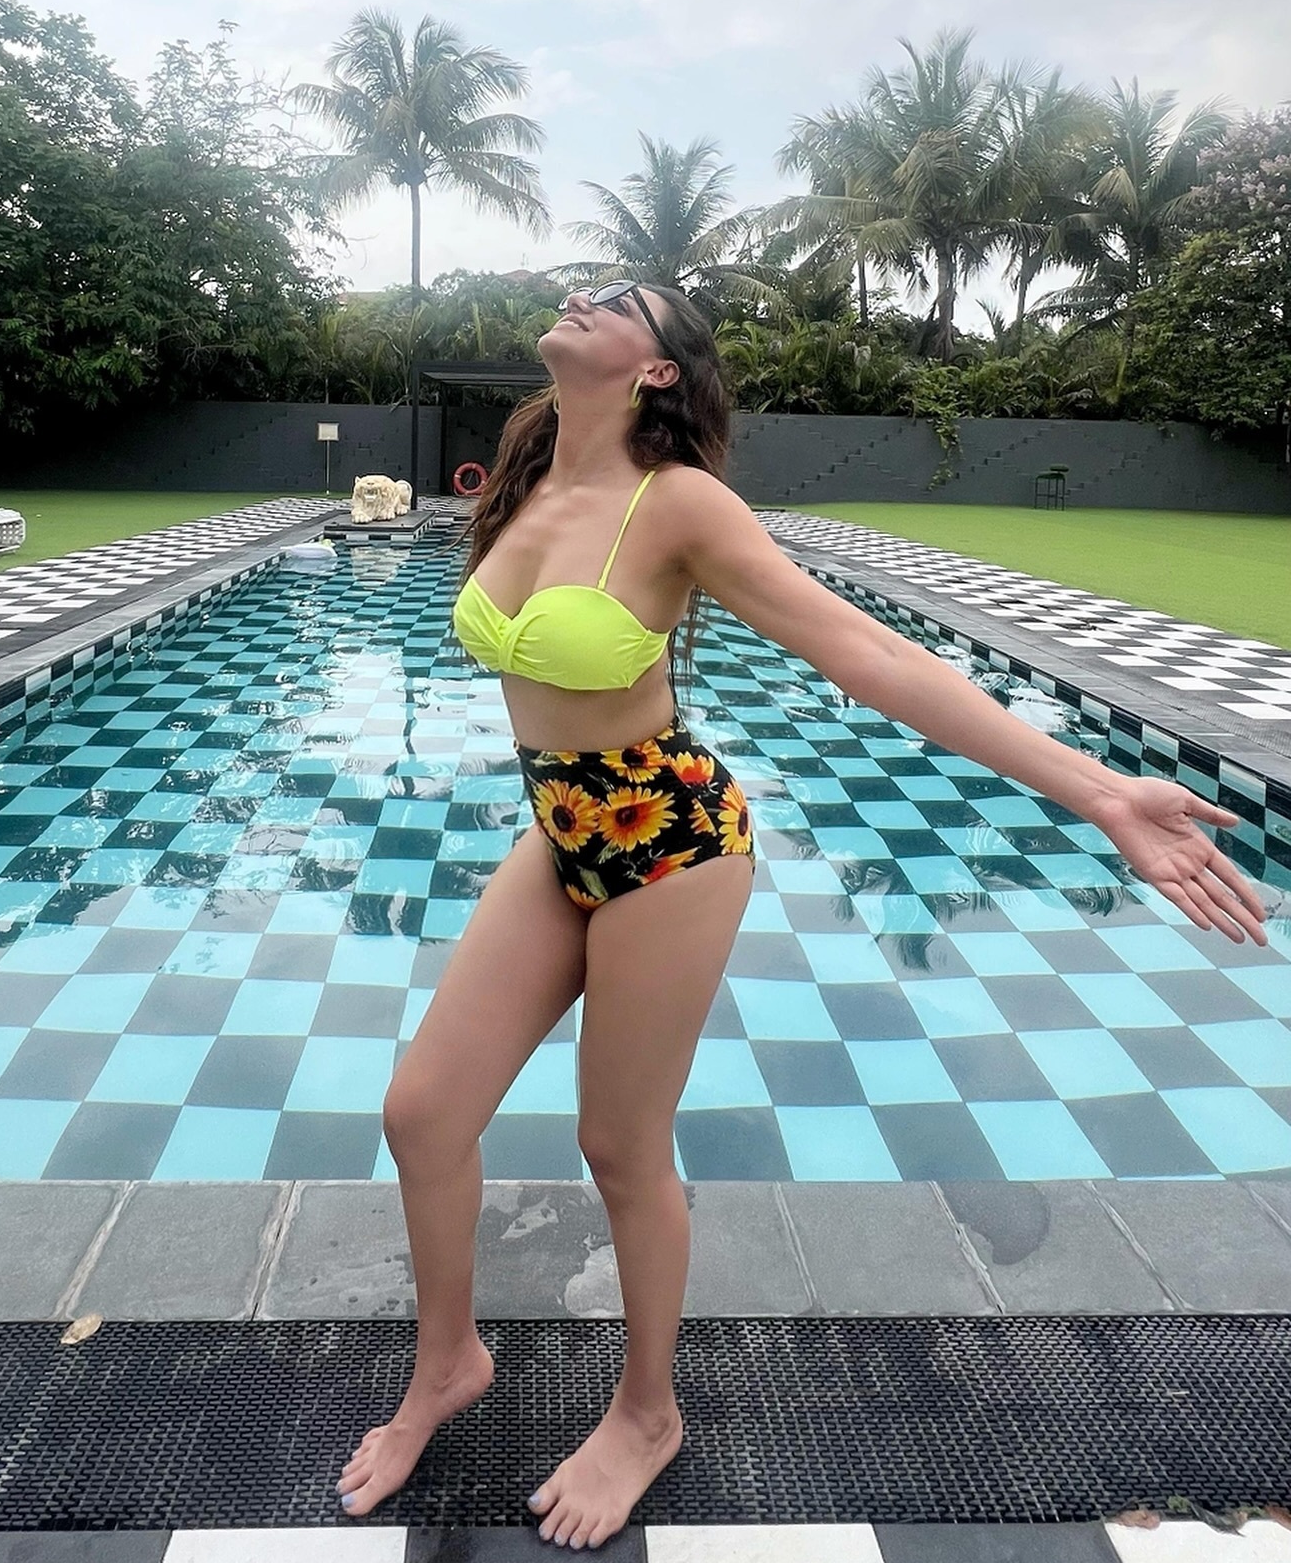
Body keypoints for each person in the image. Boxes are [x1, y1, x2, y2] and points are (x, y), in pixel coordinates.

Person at [336, 281, 1270, 1550]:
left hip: (670, 840)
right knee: (422, 1113)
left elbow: (867, 655)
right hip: (560, 827)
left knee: (620, 1146)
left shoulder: (680, 505)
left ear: (659, 371)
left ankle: (647, 1415)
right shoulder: (527, 477)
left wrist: (1102, 792)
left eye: (620, 301)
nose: (581, 296)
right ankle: (448, 1362)